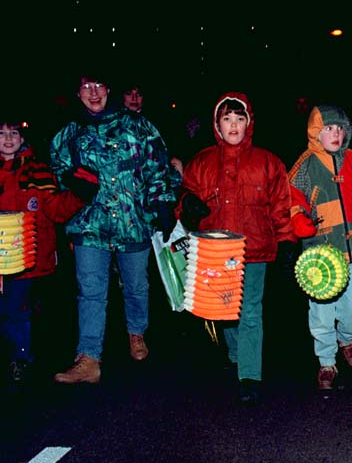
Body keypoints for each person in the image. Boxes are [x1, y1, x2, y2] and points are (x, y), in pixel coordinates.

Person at [49, 72, 177, 384]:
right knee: (90, 291)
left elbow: (158, 167)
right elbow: (58, 168)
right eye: (86, 87)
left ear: (110, 89)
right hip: (90, 226)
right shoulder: (69, 134)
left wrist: (161, 203)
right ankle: (89, 358)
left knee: (136, 286)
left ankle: (137, 333)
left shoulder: (138, 126)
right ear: (78, 93)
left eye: (99, 86)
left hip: (132, 222)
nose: (94, 93)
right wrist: (74, 183)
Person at [177, 93, 293, 405]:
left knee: (251, 309)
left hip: (254, 248)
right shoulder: (201, 162)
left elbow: (282, 206)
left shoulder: (267, 162)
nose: (234, 125)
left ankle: (250, 375)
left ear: (249, 123)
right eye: (227, 118)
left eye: (240, 119)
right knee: (227, 309)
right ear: (217, 124)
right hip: (216, 249)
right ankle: (237, 350)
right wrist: (187, 205)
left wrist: (286, 242)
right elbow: (185, 193)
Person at [287, 105, 352, 391]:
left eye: (340, 128)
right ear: (316, 132)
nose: (336, 133)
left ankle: (346, 337)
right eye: (329, 128)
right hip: (319, 254)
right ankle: (326, 362)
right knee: (321, 312)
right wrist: (298, 219)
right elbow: (292, 197)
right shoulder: (304, 165)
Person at [0, 119, 84, 389]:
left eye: (14, 133)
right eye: (1, 134)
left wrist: (79, 194)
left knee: (16, 308)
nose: (8, 138)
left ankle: (21, 358)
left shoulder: (37, 171)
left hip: (26, 261)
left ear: (23, 136)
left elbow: (57, 210)